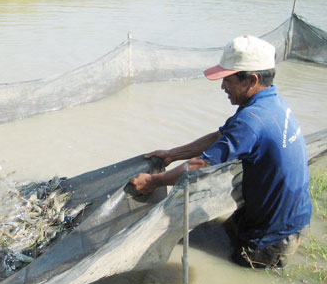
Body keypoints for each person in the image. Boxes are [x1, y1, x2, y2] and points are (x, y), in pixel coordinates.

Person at [130, 35, 312, 269]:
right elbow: (220, 137)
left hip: (274, 235)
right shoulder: (269, 103)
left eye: (228, 79)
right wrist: (172, 154)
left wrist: (155, 181)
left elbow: (203, 165)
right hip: (285, 213)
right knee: (223, 233)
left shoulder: (252, 121)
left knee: (240, 270)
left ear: (252, 80)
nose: (222, 86)